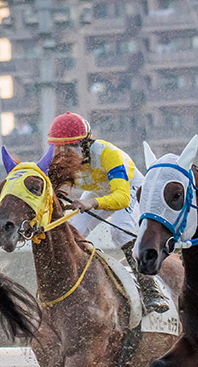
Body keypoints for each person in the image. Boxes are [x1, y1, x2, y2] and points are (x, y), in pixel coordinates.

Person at [47, 112, 167, 314]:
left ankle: (150, 289)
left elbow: (122, 198)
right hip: (99, 190)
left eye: (71, 146)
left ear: (86, 143)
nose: (65, 153)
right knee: (73, 231)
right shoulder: (61, 160)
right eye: (61, 148)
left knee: (120, 232)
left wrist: (91, 202)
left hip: (130, 189)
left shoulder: (107, 154)